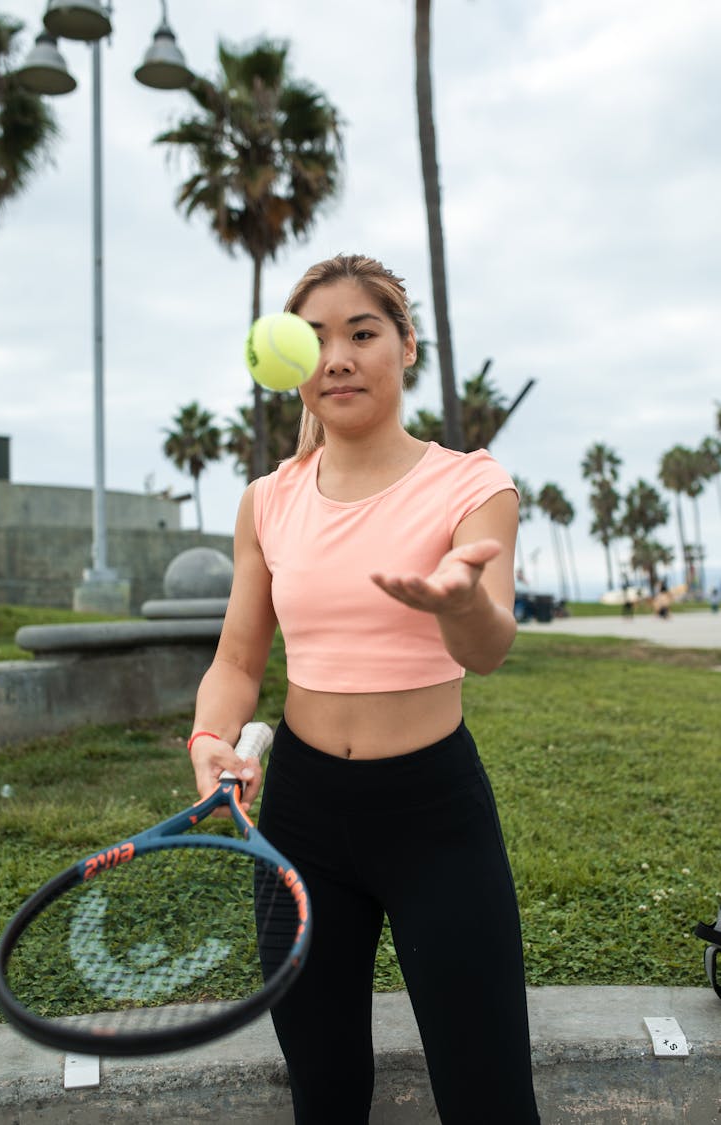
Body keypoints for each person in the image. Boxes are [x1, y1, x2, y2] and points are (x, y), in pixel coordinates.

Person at [187, 254, 540, 1124]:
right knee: (326, 1094)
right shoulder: (267, 500)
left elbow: (490, 644)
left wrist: (459, 606)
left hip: (435, 815)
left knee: (490, 1094)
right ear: (290, 365)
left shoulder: (471, 484)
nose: (336, 355)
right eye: (313, 339)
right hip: (301, 820)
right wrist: (209, 739)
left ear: (406, 345)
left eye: (361, 332)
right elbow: (238, 659)